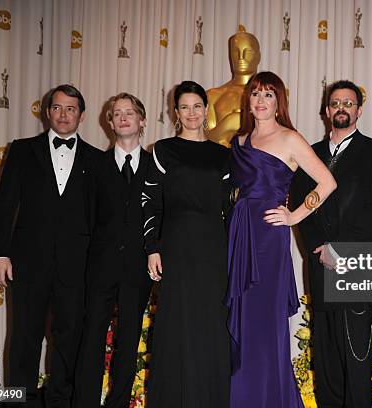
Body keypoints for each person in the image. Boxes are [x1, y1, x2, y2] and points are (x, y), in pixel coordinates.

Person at [226, 71, 336, 408]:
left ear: (279, 103)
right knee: (240, 318)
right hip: (238, 231)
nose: (260, 101)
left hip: (269, 239)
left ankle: (269, 398)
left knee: (263, 320)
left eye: (268, 95)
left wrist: (294, 216)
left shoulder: (290, 138)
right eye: (256, 94)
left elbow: (327, 182)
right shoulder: (239, 141)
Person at [0, 84, 101, 408]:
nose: (64, 114)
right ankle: (16, 402)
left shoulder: (97, 160)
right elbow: (5, 206)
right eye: (57, 107)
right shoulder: (22, 150)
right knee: (24, 336)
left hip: (77, 265)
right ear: (47, 111)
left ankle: (60, 400)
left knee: (69, 339)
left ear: (81, 115)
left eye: (71, 109)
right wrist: (1, 253)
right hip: (28, 262)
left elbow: (99, 218)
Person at [291, 80, 372, 407]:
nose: (341, 108)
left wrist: (342, 248)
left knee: (357, 360)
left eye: (348, 103)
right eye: (335, 103)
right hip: (320, 267)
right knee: (327, 362)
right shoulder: (311, 154)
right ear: (326, 111)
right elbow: (300, 204)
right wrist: (320, 246)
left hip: (358, 269)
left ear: (359, 111)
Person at [143, 81, 231, 407]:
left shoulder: (223, 155)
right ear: (175, 112)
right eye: (185, 107)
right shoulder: (163, 150)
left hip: (214, 249)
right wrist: (152, 247)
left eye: (197, 106)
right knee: (177, 324)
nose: (191, 113)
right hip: (176, 247)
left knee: (212, 323)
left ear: (205, 110)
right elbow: (150, 202)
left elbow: (232, 207)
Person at [73, 93, 153, 408]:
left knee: (128, 340)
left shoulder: (157, 167)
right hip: (99, 267)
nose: (122, 117)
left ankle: (118, 403)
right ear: (109, 123)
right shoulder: (94, 166)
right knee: (91, 337)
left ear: (142, 120)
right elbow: (86, 219)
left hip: (138, 268)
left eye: (129, 112)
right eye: (116, 113)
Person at [206, 28, 261, 147]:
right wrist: (229, 123)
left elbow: (278, 136)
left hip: (259, 163)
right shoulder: (212, 95)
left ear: (258, 57)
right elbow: (205, 141)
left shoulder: (271, 95)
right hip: (222, 162)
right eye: (236, 52)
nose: (241, 57)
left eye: (248, 52)